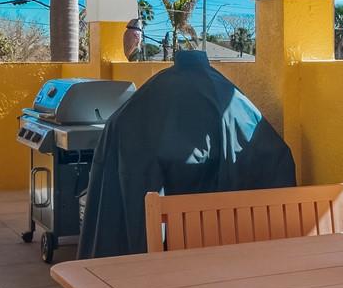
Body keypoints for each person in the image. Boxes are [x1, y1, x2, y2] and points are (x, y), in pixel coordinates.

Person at [77, 50, 296, 258]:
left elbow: (120, 126)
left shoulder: (150, 96)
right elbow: (273, 151)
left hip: (162, 207)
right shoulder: (225, 95)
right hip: (215, 240)